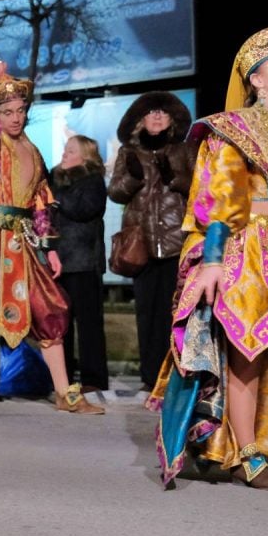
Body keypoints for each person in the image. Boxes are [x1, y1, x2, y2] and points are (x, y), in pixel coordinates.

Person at [152, 26, 268, 490]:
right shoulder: (232, 131)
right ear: (256, 79)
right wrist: (212, 261)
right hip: (249, 249)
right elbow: (219, 201)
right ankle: (247, 454)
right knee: (248, 353)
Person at [0, 60, 103, 414]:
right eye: (8, 111)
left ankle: (64, 392)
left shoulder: (32, 151)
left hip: (23, 246)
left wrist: (49, 248)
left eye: (20, 110)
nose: (15, 117)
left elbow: (41, 202)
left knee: (50, 307)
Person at [107, 92, 194, 396]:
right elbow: (115, 192)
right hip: (141, 243)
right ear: (140, 119)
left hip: (175, 242)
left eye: (163, 113)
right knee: (146, 314)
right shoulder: (128, 152)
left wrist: (175, 178)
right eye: (151, 112)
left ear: (172, 119)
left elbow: (200, 188)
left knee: (175, 313)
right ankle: (149, 378)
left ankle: (175, 376)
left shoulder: (183, 150)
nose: (157, 117)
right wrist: (132, 178)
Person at [51, 135, 109, 395]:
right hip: (60, 262)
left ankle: (93, 378)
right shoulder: (56, 179)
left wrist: (56, 195)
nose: (64, 153)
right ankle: (64, 376)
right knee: (61, 324)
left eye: (71, 150)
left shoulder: (92, 181)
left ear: (84, 156)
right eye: (64, 148)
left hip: (84, 263)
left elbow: (82, 209)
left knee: (89, 325)